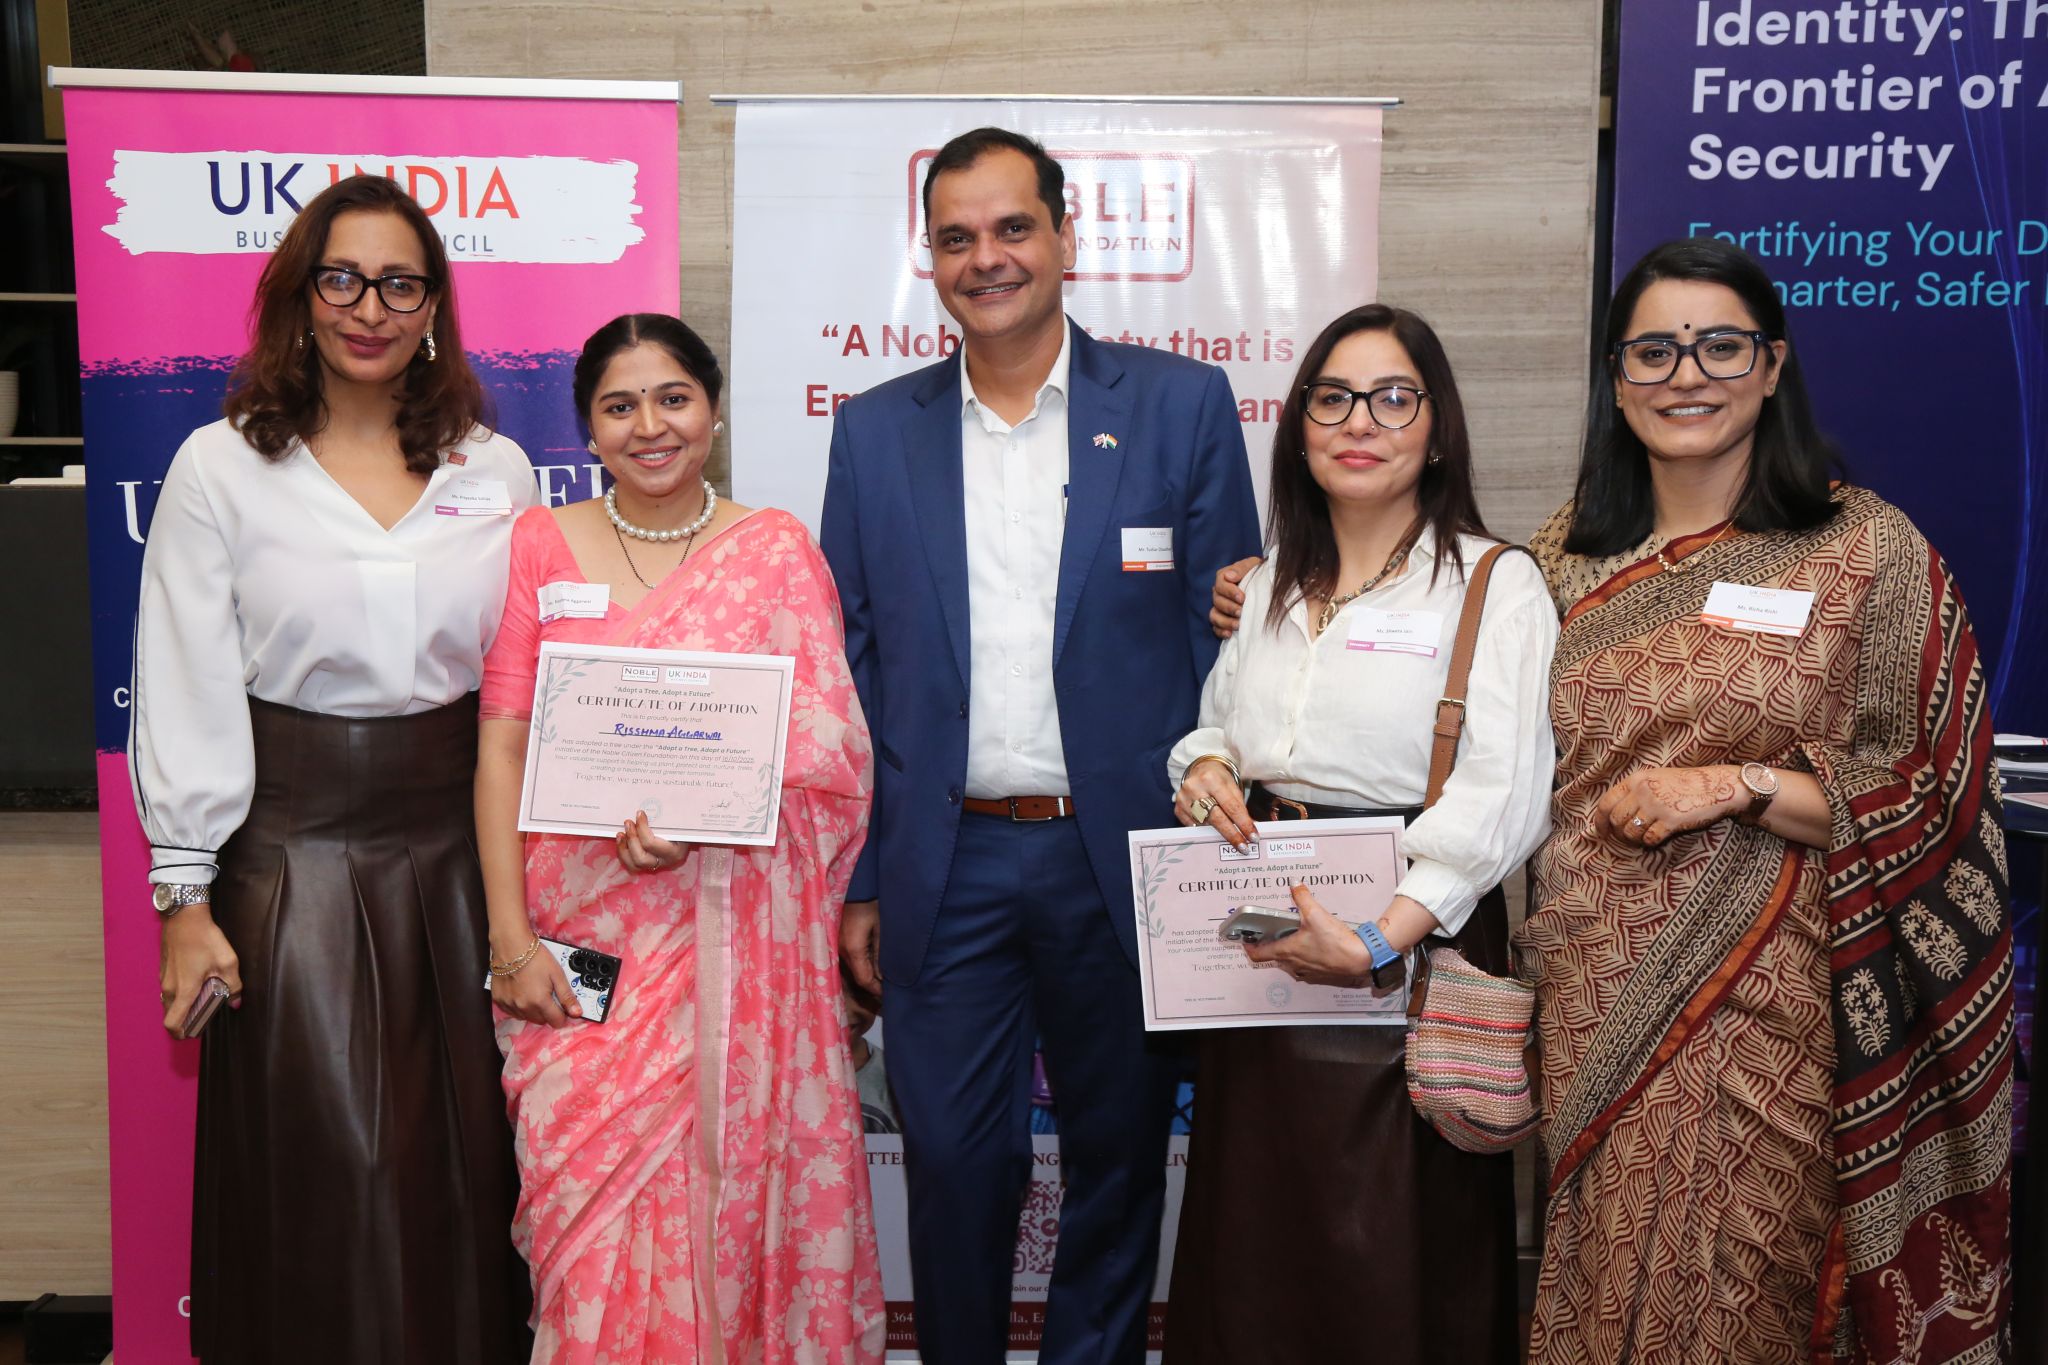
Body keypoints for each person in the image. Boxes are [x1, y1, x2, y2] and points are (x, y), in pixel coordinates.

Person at [1518, 238, 2013, 1363]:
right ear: (1616, 379)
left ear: (1772, 365)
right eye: (1653, 351)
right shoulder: (1555, 560)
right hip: (1591, 987)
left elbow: (1939, 787)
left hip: (1775, 999)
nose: (1686, 375)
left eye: (1720, 346)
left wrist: (1732, 785)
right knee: (1602, 1277)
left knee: (1741, 1291)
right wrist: (1283, 599)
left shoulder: (1863, 548)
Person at [819, 126, 1261, 1364]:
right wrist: (861, 876)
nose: (987, 258)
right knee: (954, 1167)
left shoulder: (1177, 408)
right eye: (956, 237)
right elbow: (852, 669)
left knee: (1118, 1163)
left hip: (1120, 860)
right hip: (945, 864)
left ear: (1066, 238)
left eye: (1012, 228)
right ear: (929, 257)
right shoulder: (873, 433)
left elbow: (1228, 641)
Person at [135, 173, 534, 1363]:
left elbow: (528, 689)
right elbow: (184, 680)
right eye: (343, 279)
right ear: (301, 297)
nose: (370, 308)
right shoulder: (219, 467)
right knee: (319, 1168)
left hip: (462, 858)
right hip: (288, 856)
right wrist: (185, 901)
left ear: (433, 307)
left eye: (400, 284)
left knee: (463, 1166)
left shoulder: (494, 471)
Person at [475, 313, 884, 1362]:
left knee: (734, 1205)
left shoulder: (775, 550)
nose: (649, 426)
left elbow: (831, 750)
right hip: (580, 946)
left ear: (712, 410)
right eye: (619, 406)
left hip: (735, 950)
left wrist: (706, 822)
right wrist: (510, 944)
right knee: (578, 1221)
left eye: (673, 399)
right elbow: (503, 745)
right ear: (588, 428)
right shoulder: (540, 542)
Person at [1163, 304, 1557, 1364]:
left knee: (1393, 1257)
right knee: (1255, 1243)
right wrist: (1202, 769)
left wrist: (1382, 938)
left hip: (1411, 942)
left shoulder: (1493, 582)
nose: (1359, 422)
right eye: (1332, 398)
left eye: (1392, 398)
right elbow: (1219, 723)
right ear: (1298, 428)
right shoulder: (1267, 583)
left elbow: (1505, 792)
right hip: (1264, 943)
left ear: (1437, 427)